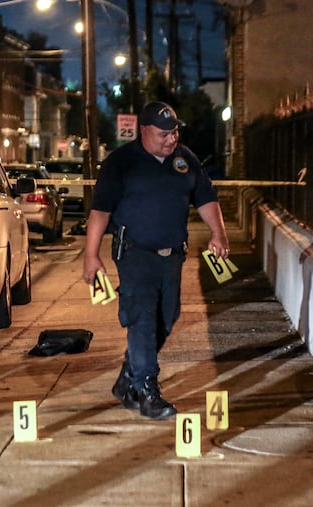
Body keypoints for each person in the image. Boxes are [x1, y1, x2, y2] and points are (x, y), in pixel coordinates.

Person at [82, 101, 230, 420]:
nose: (170, 139)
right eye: (163, 133)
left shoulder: (184, 160)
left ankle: (128, 377)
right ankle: (146, 389)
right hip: (135, 253)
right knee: (143, 318)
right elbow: (100, 212)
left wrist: (218, 233)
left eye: (174, 131)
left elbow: (206, 198)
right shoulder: (121, 163)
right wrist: (90, 255)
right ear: (144, 131)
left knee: (168, 316)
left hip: (172, 255)